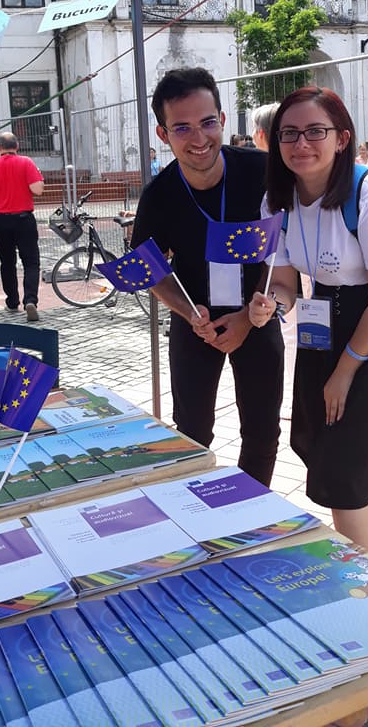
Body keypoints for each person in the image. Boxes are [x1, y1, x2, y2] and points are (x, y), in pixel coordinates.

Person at [247, 86, 368, 555]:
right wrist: (272, 304)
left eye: (316, 131)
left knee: (343, 475)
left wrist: (345, 371)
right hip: (324, 323)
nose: (301, 143)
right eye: (289, 133)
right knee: (355, 466)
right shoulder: (276, 202)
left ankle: (366, 583)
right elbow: (286, 284)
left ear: (342, 139)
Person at [130, 67, 284, 487]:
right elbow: (150, 269)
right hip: (195, 324)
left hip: (256, 315)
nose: (199, 139)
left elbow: (283, 246)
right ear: (163, 134)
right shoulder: (159, 195)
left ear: (222, 118)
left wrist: (249, 316)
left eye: (208, 122)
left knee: (262, 431)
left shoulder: (262, 170)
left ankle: (251, 512)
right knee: (191, 433)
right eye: (182, 128)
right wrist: (188, 313)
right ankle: (196, 511)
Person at [0, 132, 44, 322]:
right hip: (24, 218)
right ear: (17, 145)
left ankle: (12, 301)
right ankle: (30, 300)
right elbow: (37, 190)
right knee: (31, 262)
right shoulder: (26, 162)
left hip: (0, 219)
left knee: (7, 262)